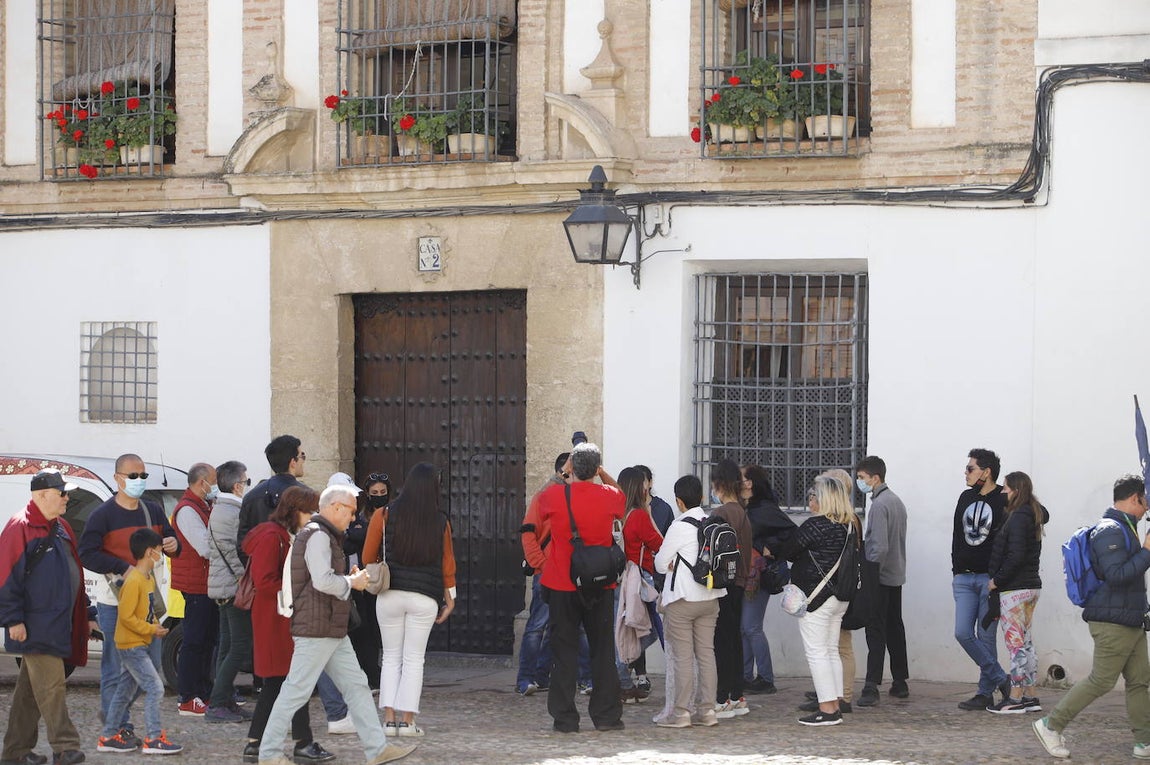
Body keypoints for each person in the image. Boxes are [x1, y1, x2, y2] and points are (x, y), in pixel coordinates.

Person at [255, 485, 416, 765]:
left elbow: (322, 578)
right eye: (351, 511)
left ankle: (377, 749)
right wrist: (352, 582)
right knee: (297, 690)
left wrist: (347, 577)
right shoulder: (318, 536)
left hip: (328, 626)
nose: (353, 518)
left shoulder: (321, 535)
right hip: (318, 627)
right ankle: (268, 754)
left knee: (355, 686)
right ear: (336, 507)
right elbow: (322, 581)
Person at [1034, 475, 1150, 759]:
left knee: (1139, 681)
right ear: (1136, 498)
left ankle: (1144, 742)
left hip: (1130, 619)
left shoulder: (1126, 528)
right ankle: (1051, 724)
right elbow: (1117, 575)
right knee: (1101, 680)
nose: (1147, 508)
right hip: (1113, 622)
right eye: (1146, 502)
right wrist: (1147, 550)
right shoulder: (1110, 530)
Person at [79, 453, 179, 748]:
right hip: (116, 602)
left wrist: (175, 544)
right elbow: (86, 552)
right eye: (133, 476)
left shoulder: (153, 511)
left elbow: (171, 541)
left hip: (150, 603)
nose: (139, 481)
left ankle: (113, 716)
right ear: (117, 479)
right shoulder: (103, 515)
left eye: (142, 476)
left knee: (149, 667)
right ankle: (117, 727)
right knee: (115, 667)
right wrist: (122, 567)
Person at [0, 469, 91, 765]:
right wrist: (13, 619)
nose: (67, 498)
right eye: (61, 492)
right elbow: (5, 578)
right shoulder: (19, 527)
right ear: (41, 495)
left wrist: (86, 611)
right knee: (52, 687)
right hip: (35, 624)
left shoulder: (61, 526)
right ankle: (66, 748)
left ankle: (15, 752)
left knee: (29, 694)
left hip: (57, 623)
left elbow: (72, 571)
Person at [362, 463, 457, 737]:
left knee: (391, 657)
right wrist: (450, 598)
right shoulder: (440, 521)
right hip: (424, 597)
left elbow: (369, 556)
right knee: (414, 659)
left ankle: (389, 721)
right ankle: (408, 721)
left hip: (390, 594)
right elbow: (447, 563)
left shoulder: (384, 514)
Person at [537, 442, 626, 733]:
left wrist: (565, 471)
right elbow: (621, 495)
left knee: (563, 652)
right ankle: (607, 716)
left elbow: (538, 507)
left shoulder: (554, 495)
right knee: (602, 651)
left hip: (562, 581)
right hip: (600, 583)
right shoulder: (610, 495)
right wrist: (602, 472)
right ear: (597, 468)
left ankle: (564, 719)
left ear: (572, 468)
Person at [242, 486, 334, 764]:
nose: (313, 516)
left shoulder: (281, 535)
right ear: (294, 511)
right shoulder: (272, 537)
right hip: (276, 619)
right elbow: (265, 582)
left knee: (290, 682)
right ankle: (277, 743)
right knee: (285, 682)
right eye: (309, 511)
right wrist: (302, 591)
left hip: (282, 617)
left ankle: (279, 743)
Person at [776, 475, 856, 727]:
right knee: (831, 651)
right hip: (838, 598)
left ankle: (827, 709)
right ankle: (835, 703)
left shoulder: (816, 525)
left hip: (815, 598)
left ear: (824, 499)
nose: (811, 499)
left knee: (817, 653)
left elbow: (788, 551)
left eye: (814, 495)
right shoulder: (848, 526)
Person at [516, 452, 594, 697]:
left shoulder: (583, 498)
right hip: (548, 573)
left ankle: (580, 678)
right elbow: (528, 533)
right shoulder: (545, 497)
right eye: (567, 472)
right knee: (538, 626)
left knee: (579, 627)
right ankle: (526, 678)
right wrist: (540, 564)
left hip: (576, 573)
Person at [98, 528, 182, 754]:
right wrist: (150, 628)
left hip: (138, 643)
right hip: (131, 645)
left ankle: (108, 735)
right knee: (155, 688)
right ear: (149, 552)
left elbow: (146, 610)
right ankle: (153, 738)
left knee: (124, 692)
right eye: (158, 551)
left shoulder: (145, 578)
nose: (160, 555)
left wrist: (154, 626)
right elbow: (125, 617)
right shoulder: (134, 580)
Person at [651, 474, 724, 728]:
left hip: (683, 599)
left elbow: (660, 564)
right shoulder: (713, 521)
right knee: (706, 654)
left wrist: (671, 564)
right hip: (711, 596)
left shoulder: (680, 526)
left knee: (683, 657)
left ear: (678, 501)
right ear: (702, 497)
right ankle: (708, 711)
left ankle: (681, 713)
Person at [952, 448, 1011, 710]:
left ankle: (985, 693)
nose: (965, 473)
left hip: (990, 580)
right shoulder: (965, 497)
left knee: (986, 638)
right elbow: (956, 534)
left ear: (986, 472)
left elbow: (1039, 513)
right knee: (963, 633)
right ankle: (1002, 679)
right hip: (964, 579)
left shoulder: (1004, 498)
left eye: (970, 468)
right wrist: (956, 568)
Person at [986, 471, 1048, 714]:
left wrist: (996, 581)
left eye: (1006, 488)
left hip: (1015, 588)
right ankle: (1031, 696)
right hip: (1031, 587)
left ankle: (1015, 698)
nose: (1003, 492)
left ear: (1015, 490)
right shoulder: (1031, 512)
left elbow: (1015, 555)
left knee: (1016, 645)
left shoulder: (1019, 516)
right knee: (1026, 643)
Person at [854, 455, 909, 707]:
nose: (859, 482)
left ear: (875, 478)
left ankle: (871, 684)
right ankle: (900, 681)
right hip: (896, 574)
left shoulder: (879, 505)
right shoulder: (896, 502)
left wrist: (871, 575)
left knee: (875, 630)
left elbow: (879, 546)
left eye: (863, 478)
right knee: (895, 627)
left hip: (880, 575)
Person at [205, 460, 255, 724]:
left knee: (227, 646)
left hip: (223, 585)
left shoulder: (220, 509)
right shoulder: (230, 512)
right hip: (232, 587)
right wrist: (246, 578)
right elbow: (233, 552)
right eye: (246, 481)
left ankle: (222, 700)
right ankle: (218, 704)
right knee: (238, 646)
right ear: (237, 486)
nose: (247, 485)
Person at [740, 464, 794, 696]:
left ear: (750, 483)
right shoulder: (747, 508)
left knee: (751, 627)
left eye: (740, 478)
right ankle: (745, 676)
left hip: (758, 576)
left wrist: (768, 547)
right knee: (743, 628)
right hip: (745, 574)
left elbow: (791, 533)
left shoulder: (764, 509)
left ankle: (765, 677)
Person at [170, 462, 219, 717]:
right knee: (194, 641)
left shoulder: (204, 506)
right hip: (196, 584)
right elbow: (205, 546)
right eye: (214, 481)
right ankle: (187, 697)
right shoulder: (187, 510)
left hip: (207, 583)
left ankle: (204, 692)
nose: (216, 486)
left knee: (207, 641)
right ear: (203, 483)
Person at [708, 459, 753, 719]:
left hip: (722, 583)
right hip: (738, 582)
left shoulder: (722, 513)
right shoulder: (742, 512)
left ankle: (723, 696)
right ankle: (736, 695)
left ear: (720, 484)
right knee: (733, 639)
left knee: (722, 641)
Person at [615, 466, 663, 702]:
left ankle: (623, 677)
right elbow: (657, 542)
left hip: (622, 578)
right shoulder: (639, 515)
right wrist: (649, 513)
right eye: (644, 483)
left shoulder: (619, 514)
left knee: (626, 629)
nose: (648, 487)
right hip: (641, 578)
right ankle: (621, 671)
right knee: (650, 631)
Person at [345, 472, 391, 690]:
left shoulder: (393, 515)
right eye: (374, 493)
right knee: (368, 628)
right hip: (365, 581)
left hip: (386, 580)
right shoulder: (360, 518)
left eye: (383, 492)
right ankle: (373, 672)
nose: (379, 496)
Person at [237, 435, 306, 550]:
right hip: (293, 565)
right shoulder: (305, 496)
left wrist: (258, 565)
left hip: (261, 565)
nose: (303, 461)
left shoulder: (251, 496)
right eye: (302, 456)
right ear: (293, 462)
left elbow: (243, 545)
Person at [636, 465, 675, 536]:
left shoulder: (664, 509)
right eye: (635, 483)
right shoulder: (626, 508)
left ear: (650, 483)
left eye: (642, 482)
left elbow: (670, 541)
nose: (639, 486)